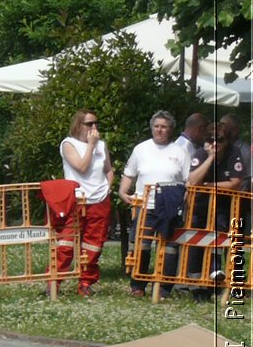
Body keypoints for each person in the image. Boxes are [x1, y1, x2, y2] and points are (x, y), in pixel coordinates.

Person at [119, 111, 192, 295]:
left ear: (170, 129)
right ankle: (138, 286)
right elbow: (129, 173)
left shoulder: (180, 152)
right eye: (156, 126)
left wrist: (183, 201)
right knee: (140, 247)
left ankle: (163, 289)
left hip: (170, 207)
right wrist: (122, 192)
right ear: (152, 128)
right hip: (145, 206)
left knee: (169, 250)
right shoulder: (141, 149)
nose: (160, 130)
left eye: (164, 127)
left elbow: (188, 181)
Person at [186, 115, 248, 294]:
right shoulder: (200, 153)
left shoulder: (233, 153)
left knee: (223, 242)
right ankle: (197, 283)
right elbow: (193, 180)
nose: (215, 142)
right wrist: (210, 158)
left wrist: (208, 185)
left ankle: (222, 281)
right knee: (197, 242)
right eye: (210, 139)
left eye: (219, 139)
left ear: (227, 140)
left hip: (225, 206)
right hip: (201, 206)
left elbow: (235, 182)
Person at [56, 108, 115, 298]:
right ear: (79, 125)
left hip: (100, 199)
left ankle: (85, 282)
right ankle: (54, 282)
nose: (94, 127)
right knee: (66, 243)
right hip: (78, 199)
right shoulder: (69, 144)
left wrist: (108, 187)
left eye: (96, 123)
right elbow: (81, 167)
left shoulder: (101, 145)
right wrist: (90, 145)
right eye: (89, 124)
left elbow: (108, 169)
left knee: (94, 244)